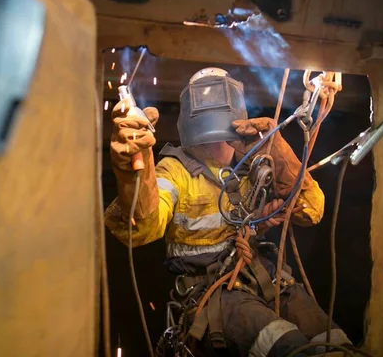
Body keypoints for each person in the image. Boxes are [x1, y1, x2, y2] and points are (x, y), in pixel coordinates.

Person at [104, 68, 351, 356]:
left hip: (264, 277)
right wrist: (134, 171)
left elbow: (312, 210)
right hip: (213, 296)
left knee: (333, 340)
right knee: (285, 345)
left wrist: (277, 151)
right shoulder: (174, 170)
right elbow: (142, 228)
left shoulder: (255, 162)